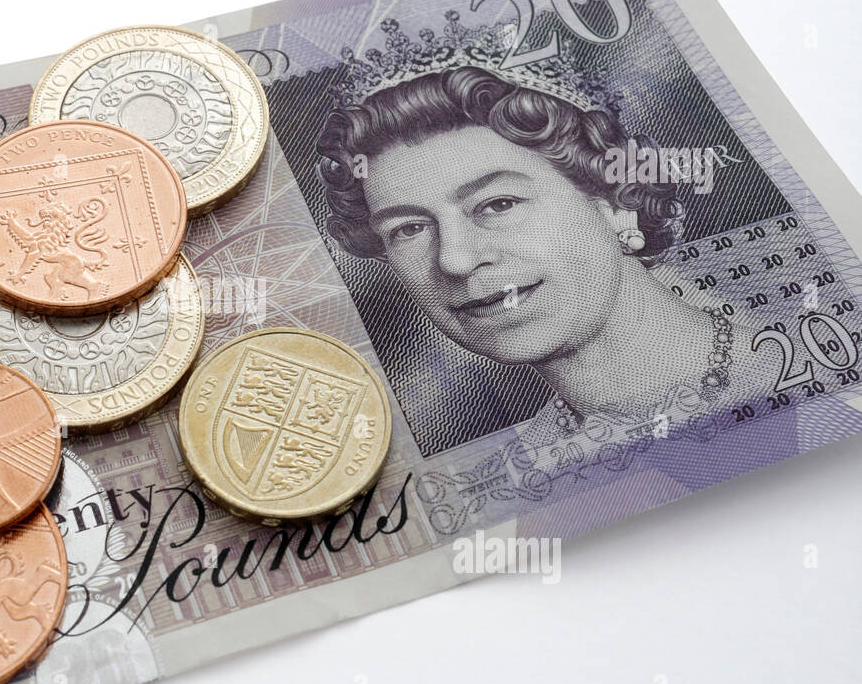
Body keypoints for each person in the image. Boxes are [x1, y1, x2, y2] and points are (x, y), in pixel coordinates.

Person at [317, 64, 777, 442]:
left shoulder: (799, 360)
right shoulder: (529, 465)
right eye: (410, 228)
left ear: (617, 202)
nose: (454, 260)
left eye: (498, 204)